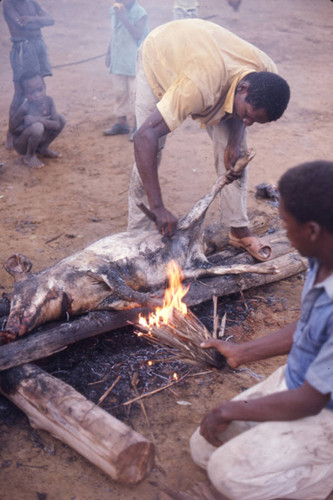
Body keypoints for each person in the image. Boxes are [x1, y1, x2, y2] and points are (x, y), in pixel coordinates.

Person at [190, 160, 333, 500]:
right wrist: (243, 352)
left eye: (285, 223)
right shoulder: (321, 258)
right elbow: (310, 328)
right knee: (204, 448)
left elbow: (311, 401)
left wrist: (229, 409)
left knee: (228, 476)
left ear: (312, 230)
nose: (284, 232)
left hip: (320, 405)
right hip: (302, 383)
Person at [127, 19, 290, 262]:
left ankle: (238, 229)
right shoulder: (199, 85)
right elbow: (143, 137)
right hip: (160, 56)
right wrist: (158, 207)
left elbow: (240, 108)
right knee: (152, 148)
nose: (248, 123)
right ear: (243, 88)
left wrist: (234, 141)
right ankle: (135, 239)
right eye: (247, 116)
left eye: (254, 122)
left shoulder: (265, 73)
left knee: (238, 155)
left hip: (205, 54)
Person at [2, 0, 54, 149]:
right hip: (22, 48)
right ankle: (11, 133)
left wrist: (33, 19)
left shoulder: (32, 2)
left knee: (39, 89)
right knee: (20, 92)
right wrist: (40, 22)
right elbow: (22, 25)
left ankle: (40, 128)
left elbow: (51, 20)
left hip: (38, 46)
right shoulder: (8, 4)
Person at [103, 0, 148, 139]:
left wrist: (123, 17)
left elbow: (137, 34)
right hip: (119, 58)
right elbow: (114, 32)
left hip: (133, 60)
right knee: (119, 92)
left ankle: (137, 126)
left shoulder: (140, 12)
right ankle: (121, 123)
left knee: (135, 94)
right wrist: (109, 52)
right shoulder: (114, 10)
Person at [10, 71, 65, 169]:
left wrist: (37, 119)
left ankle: (43, 148)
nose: (37, 95)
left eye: (40, 89)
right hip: (22, 144)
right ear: (24, 94)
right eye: (31, 92)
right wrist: (27, 126)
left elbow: (56, 124)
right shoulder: (24, 108)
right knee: (37, 127)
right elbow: (13, 130)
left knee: (61, 119)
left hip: (37, 137)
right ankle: (29, 156)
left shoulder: (49, 101)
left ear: (45, 86)